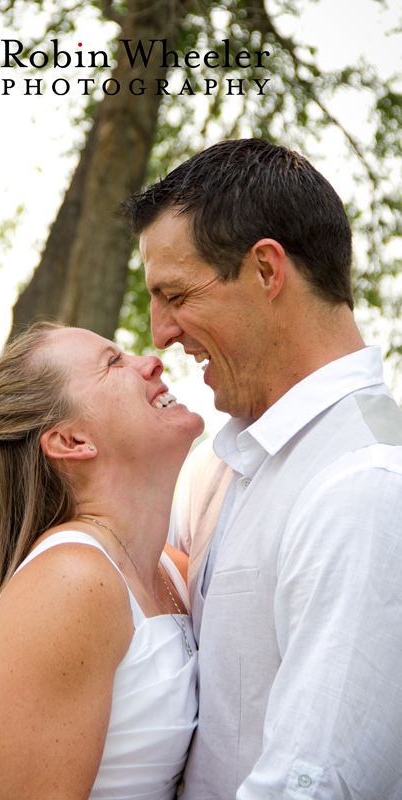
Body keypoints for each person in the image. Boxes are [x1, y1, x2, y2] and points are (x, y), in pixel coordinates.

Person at [124, 138, 402, 799]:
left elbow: (314, 786)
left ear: (267, 271)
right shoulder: (216, 465)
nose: (160, 332)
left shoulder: (365, 487)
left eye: (176, 294)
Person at [0, 321, 204, 800]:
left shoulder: (173, 571)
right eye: (114, 362)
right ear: (72, 441)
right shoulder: (70, 584)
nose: (152, 360)